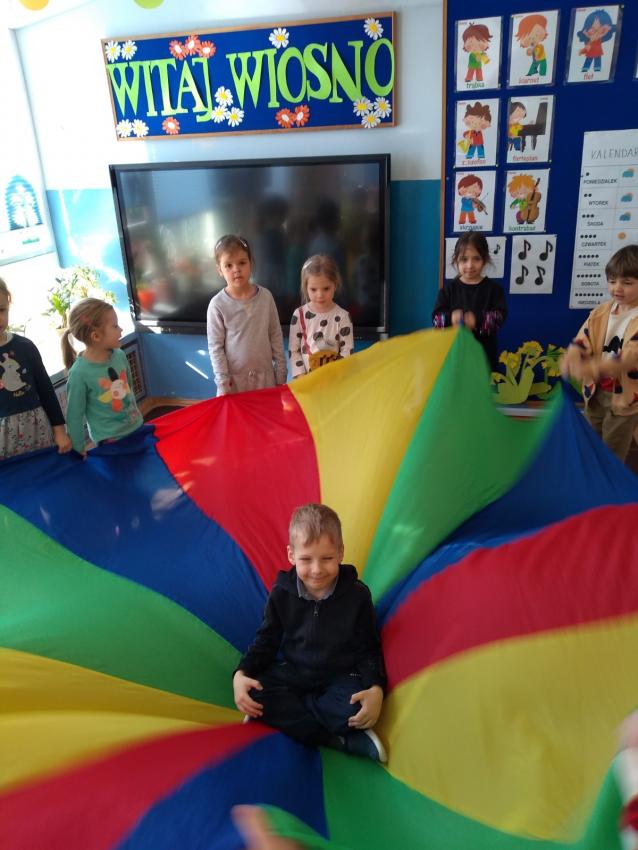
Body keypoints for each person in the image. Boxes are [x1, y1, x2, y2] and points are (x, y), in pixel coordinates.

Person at [232, 503, 388, 763]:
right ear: (291, 555)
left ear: (340, 553)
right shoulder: (281, 593)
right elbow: (266, 640)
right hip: (295, 672)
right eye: (306, 559)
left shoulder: (357, 595)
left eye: (327, 558)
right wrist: (241, 673)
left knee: (357, 707)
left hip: (340, 675)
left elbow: (368, 648)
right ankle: (335, 738)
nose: (316, 569)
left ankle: (292, 721)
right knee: (255, 693)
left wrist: (376, 688)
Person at [560, 245, 638, 462]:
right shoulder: (601, 312)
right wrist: (572, 355)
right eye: (612, 281)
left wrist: (592, 367)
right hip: (596, 392)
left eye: (627, 283)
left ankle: (610, 480)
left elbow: (628, 357)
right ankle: (593, 475)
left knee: (612, 449)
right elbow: (582, 339)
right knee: (591, 442)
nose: (617, 288)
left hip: (625, 397)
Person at [0, 278, 72, 459]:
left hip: (37, 431)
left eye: (1, 310)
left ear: (8, 305)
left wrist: (60, 431)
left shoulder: (25, 347)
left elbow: (46, 390)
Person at [61, 297, 143, 455]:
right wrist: (78, 449)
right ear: (96, 336)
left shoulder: (119, 355)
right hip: (110, 441)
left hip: (135, 427)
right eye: (115, 326)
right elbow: (74, 416)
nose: (121, 330)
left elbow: (129, 387)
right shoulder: (79, 373)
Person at [207, 234, 287, 396]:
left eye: (242, 263)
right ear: (220, 270)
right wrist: (223, 383)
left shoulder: (266, 297)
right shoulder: (217, 305)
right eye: (228, 265)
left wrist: (281, 372)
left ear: (251, 263)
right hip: (234, 384)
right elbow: (216, 348)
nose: (236, 269)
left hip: (266, 381)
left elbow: (275, 335)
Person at [432, 233, 507, 371]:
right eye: (464, 259)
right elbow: (437, 321)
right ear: (456, 260)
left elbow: (499, 318)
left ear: (485, 260)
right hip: (454, 360)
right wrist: (450, 318)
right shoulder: (447, 291)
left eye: (476, 259)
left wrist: (476, 319)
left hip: (484, 360)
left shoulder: (494, 290)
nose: (470, 265)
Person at [288, 255, 354, 377]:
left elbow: (347, 351)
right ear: (306, 288)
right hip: (306, 381)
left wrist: (335, 375)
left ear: (335, 285)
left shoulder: (343, 316)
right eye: (313, 289)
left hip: (334, 380)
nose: (320, 295)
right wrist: (301, 376)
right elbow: (294, 350)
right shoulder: (299, 314)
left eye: (326, 289)